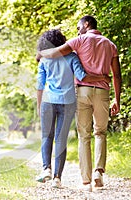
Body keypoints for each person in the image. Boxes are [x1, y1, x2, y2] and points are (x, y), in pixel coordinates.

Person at [37, 15, 122, 191]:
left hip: (78, 93)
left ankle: (84, 180)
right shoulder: (110, 45)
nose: (77, 30)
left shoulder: (79, 41)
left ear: (86, 24)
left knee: (83, 135)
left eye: (78, 26)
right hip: (99, 93)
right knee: (100, 132)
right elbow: (116, 75)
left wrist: (40, 54)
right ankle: (96, 172)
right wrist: (117, 99)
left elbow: (52, 57)